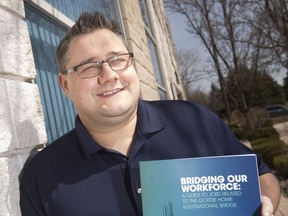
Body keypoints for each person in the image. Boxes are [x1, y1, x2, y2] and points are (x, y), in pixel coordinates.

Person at [20, 11, 280, 216]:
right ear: (64, 84)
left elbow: (259, 172)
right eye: (89, 67)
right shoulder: (42, 176)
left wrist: (265, 201)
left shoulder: (194, 121)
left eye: (117, 59)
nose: (109, 75)